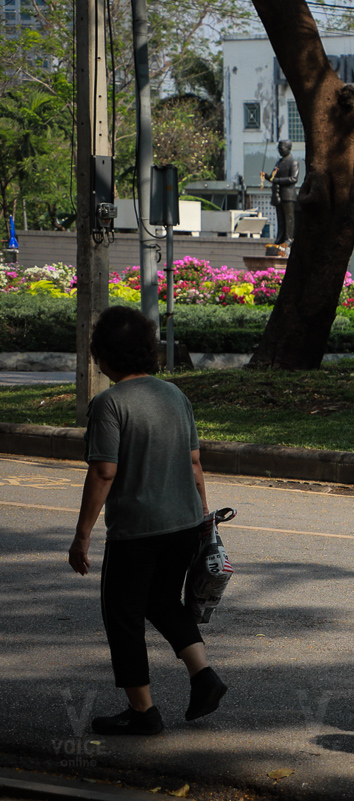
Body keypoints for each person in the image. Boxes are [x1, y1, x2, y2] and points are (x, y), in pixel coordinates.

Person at [68, 307, 227, 736]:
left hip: (137, 532)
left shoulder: (109, 404)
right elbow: (195, 464)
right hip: (184, 525)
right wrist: (204, 520)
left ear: (104, 356)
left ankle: (143, 712)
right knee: (161, 602)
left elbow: (103, 472)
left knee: (123, 615)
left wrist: (82, 535)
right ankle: (204, 676)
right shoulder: (174, 396)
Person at [261, 140, 300, 244]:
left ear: (288, 148)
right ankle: (280, 237)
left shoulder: (293, 162)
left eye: (281, 148)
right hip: (278, 195)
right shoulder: (279, 162)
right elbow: (273, 178)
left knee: (289, 219)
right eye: (278, 148)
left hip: (289, 195)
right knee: (280, 219)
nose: (279, 150)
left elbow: (293, 179)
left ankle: (289, 238)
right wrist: (266, 176)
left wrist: (277, 180)